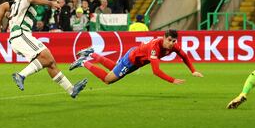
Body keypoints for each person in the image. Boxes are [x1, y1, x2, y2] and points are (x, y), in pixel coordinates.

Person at [0, 0, 87, 98]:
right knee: (47, 57)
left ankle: (71, 90)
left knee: (51, 63)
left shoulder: (17, 1)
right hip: (21, 35)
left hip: (20, 37)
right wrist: (50, 3)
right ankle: (21, 75)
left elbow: (2, 6)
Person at [70, 29, 204, 85]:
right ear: (164, 38)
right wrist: (172, 80)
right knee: (107, 80)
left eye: (174, 41)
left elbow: (184, 56)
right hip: (132, 60)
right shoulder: (155, 48)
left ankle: (91, 53)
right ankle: (83, 62)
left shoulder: (174, 46)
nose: (172, 43)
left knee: (114, 68)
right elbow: (156, 71)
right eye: (169, 40)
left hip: (136, 58)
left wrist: (193, 70)